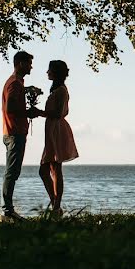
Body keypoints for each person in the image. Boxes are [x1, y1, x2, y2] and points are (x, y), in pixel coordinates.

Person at [1, 50, 40, 221]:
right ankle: (7, 211)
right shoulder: (15, 83)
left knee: (12, 171)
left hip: (12, 132)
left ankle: (7, 209)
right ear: (20, 64)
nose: (31, 67)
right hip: (14, 132)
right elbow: (10, 108)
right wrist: (28, 113)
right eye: (29, 63)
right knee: (12, 172)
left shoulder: (17, 83)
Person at [36, 59, 79, 215]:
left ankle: (56, 206)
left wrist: (39, 112)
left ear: (55, 72)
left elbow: (57, 113)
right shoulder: (57, 89)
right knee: (48, 169)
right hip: (52, 130)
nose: (47, 72)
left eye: (49, 70)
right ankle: (55, 205)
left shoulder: (61, 90)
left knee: (54, 168)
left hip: (57, 130)